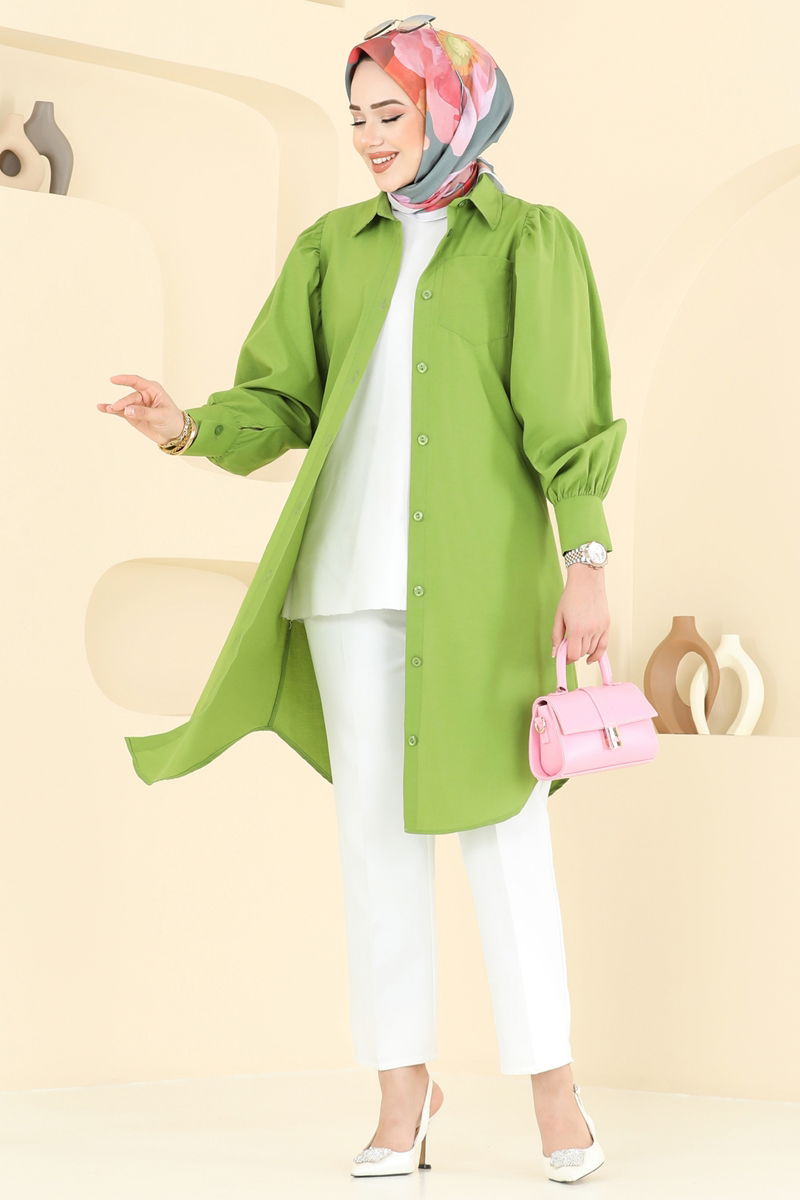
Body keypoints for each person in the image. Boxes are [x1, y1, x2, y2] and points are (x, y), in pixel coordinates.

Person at [99, 15, 624, 1185]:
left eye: (391, 114)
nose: (369, 138)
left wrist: (584, 557)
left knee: (503, 834)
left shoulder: (529, 243)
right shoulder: (330, 249)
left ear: (453, 112)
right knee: (375, 846)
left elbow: (566, 411)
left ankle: (553, 1091)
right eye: (356, 119)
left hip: (482, 589)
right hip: (344, 588)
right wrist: (185, 426)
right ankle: (402, 1096)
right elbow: (280, 401)